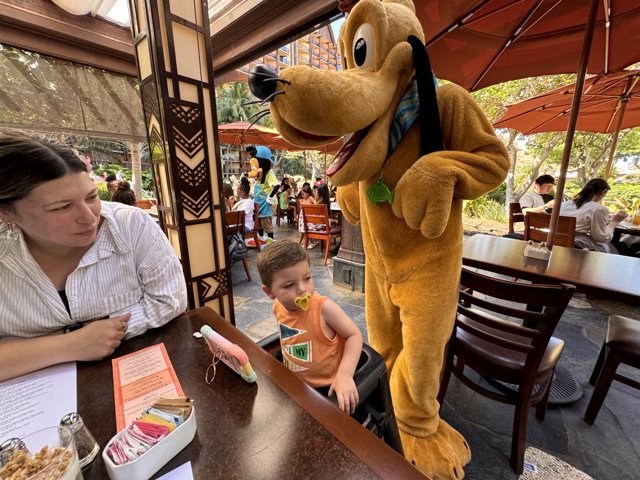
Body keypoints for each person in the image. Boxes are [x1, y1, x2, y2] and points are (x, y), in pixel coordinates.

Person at [0, 133, 188, 381]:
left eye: (92, 197)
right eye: (61, 207)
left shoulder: (130, 224)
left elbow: (170, 300)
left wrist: (30, 348)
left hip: (133, 375)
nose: (89, 217)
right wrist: (71, 343)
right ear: (7, 214)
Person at [256, 239, 363, 413]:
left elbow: (354, 336)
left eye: (307, 278)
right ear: (269, 292)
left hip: (327, 389)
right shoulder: (278, 306)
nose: (302, 289)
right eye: (289, 285)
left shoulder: (324, 309)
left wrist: (344, 375)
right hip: (295, 386)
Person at [559, 178, 627, 253]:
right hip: (577, 245)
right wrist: (614, 222)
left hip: (558, 241)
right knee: (612, 248)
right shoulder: (597, 209)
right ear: (603, 192)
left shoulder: (564, 204)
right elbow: (600, 238)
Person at [252, 146, 279, 239]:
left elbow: (277, 186)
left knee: (266, 223)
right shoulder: (259, 173)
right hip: (259, 203)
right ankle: (262, 240)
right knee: (258, 222)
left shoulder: (269, 173)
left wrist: (270, 197)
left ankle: (271, 243)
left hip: (268, 204)